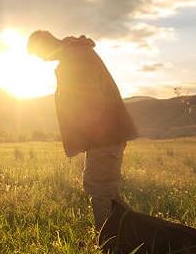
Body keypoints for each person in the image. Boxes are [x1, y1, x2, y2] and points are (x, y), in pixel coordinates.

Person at [27, 30, 138, 230]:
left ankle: (108, 247)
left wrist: (91, 135)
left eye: (38, 54)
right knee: (105, 189)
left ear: (44, 45)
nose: (42, 59)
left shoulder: (75, 58)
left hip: (104, 136)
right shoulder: (75, 55)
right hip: (104, 135)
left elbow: (90, 100)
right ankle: (133, 236)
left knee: (100, 190)